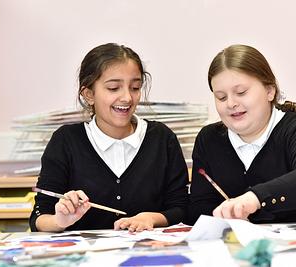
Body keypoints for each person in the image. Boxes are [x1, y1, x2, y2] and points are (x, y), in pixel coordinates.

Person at [30, 43, 189, 232]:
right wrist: (60, 220)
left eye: (135, 87)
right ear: (89, 94)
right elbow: (39, 216)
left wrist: (151, 218)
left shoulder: (162, 138)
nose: (127, 98)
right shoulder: (66, 141)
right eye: (114, 88)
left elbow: (181, 207)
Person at [188, 44, 296, 225]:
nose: (231, 103)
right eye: (221, 97)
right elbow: (198, 207)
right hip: (247, 248)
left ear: (269, 91)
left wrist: (255, 198)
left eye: (241, 92)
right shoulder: (209, 139)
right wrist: (227, 216)